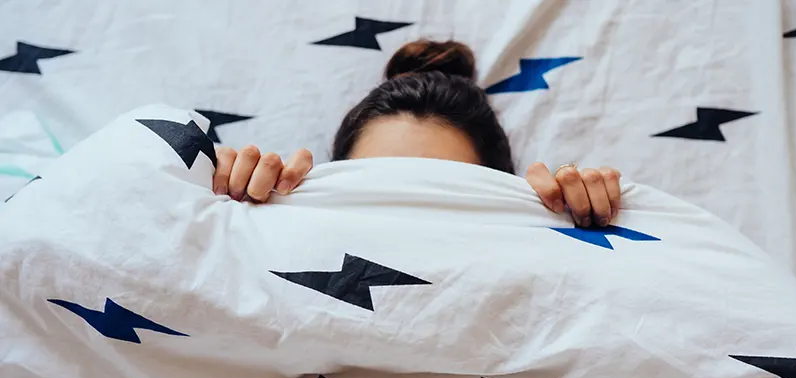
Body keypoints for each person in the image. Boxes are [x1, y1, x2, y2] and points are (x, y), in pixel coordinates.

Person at [212, 40, 622, 228]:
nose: (405, 208)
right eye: (376, 184)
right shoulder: (274, 229)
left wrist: (580, 218)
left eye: (442, 188)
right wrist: (225, 200)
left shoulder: (546, 244)